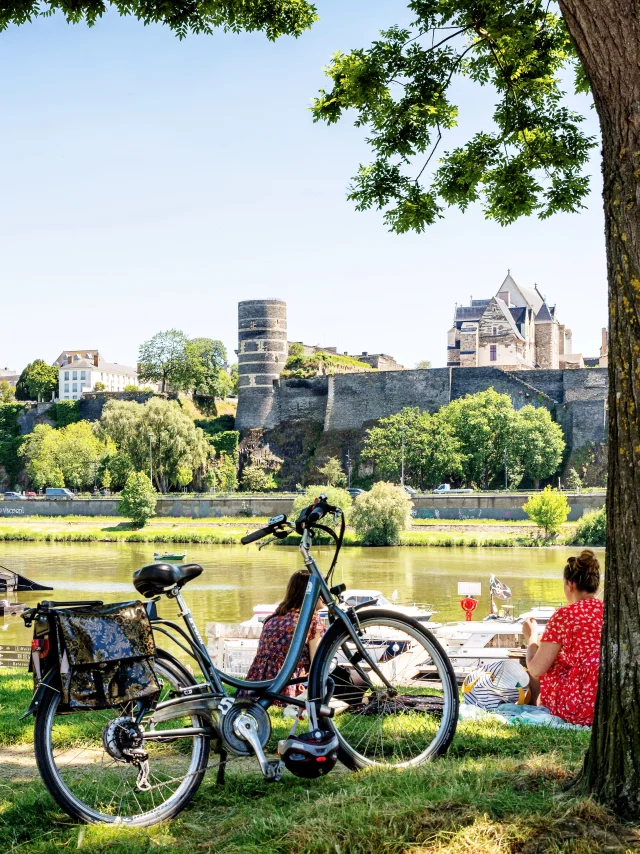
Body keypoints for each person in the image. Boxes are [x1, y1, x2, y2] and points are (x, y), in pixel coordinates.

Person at [522, 549, 603, 726]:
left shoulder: (564, 615)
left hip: (582, 706)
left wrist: (532, 636)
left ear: (570, 584)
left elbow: (536, 670)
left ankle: (539, 702)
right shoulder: (608, 610)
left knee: (553, 661)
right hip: (607, 702)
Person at [243, 570, 325, 700]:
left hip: (256, 686)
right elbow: (318, 665)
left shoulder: (272, 618)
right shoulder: (312, 621)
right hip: (289, 687)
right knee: (354, 679)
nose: (325, 595)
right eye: (322, 590)